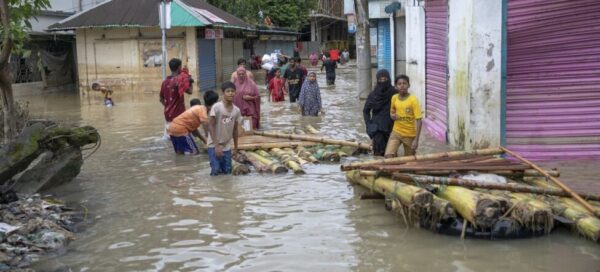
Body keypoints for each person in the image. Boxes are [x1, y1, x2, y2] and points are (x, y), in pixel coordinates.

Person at [207, 82, 241, 175]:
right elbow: (210, 126)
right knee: (216, 170)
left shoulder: (236, 110)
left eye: (233, 91)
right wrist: (216, 146)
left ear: (235, 93)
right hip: (214, 145)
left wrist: (236, 148)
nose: (230, 93)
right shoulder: (217, 107)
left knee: (227, 171)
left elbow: (235, 130)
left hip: (227, 146)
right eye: (228, 91)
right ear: (223, 93)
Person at [384, 75, 423, 158]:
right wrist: (392, 115)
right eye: (399, 84)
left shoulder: (413, 100)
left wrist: (416, 140)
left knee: (409, 162)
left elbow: (419, 120)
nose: (402, 85)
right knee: (388, 156)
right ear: (396, 86)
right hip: (396, 132)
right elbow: (392, 112)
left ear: (409, 85)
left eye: (404, 83)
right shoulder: (394, 98)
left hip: (409, 135)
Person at [363, 70, 396, 156]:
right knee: (378, 153)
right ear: (377, 80)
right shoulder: (373, 95)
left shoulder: (395, 93)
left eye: (385, 79)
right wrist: (368, 125)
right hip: (377, 127)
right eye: (380, 80)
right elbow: (366, 111)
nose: (382, 81)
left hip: (391, 127)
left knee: (391, 153)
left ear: (388, 79)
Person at [160, 58, 192, 132]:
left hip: (168, 116)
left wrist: (169, 106)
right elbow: (190, 91)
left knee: (171, 140)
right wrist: (190, 79)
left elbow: (161, 99)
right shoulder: (179, 80)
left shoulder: (164, 82)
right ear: (179, 68)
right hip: (179, 117)